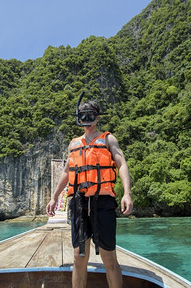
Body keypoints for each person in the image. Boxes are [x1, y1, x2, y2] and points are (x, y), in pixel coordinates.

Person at [46, 97, 133, 288]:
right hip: (78, 204)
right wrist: (54, 197)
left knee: (108, 257)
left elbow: (122, 164)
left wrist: (127, 193)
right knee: (78, 257)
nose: (86, 118)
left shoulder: (108, 139)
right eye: (82, 115)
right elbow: (67, 172)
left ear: (97, 117)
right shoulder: (73, 144)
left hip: (103, 203)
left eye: (90, 115)